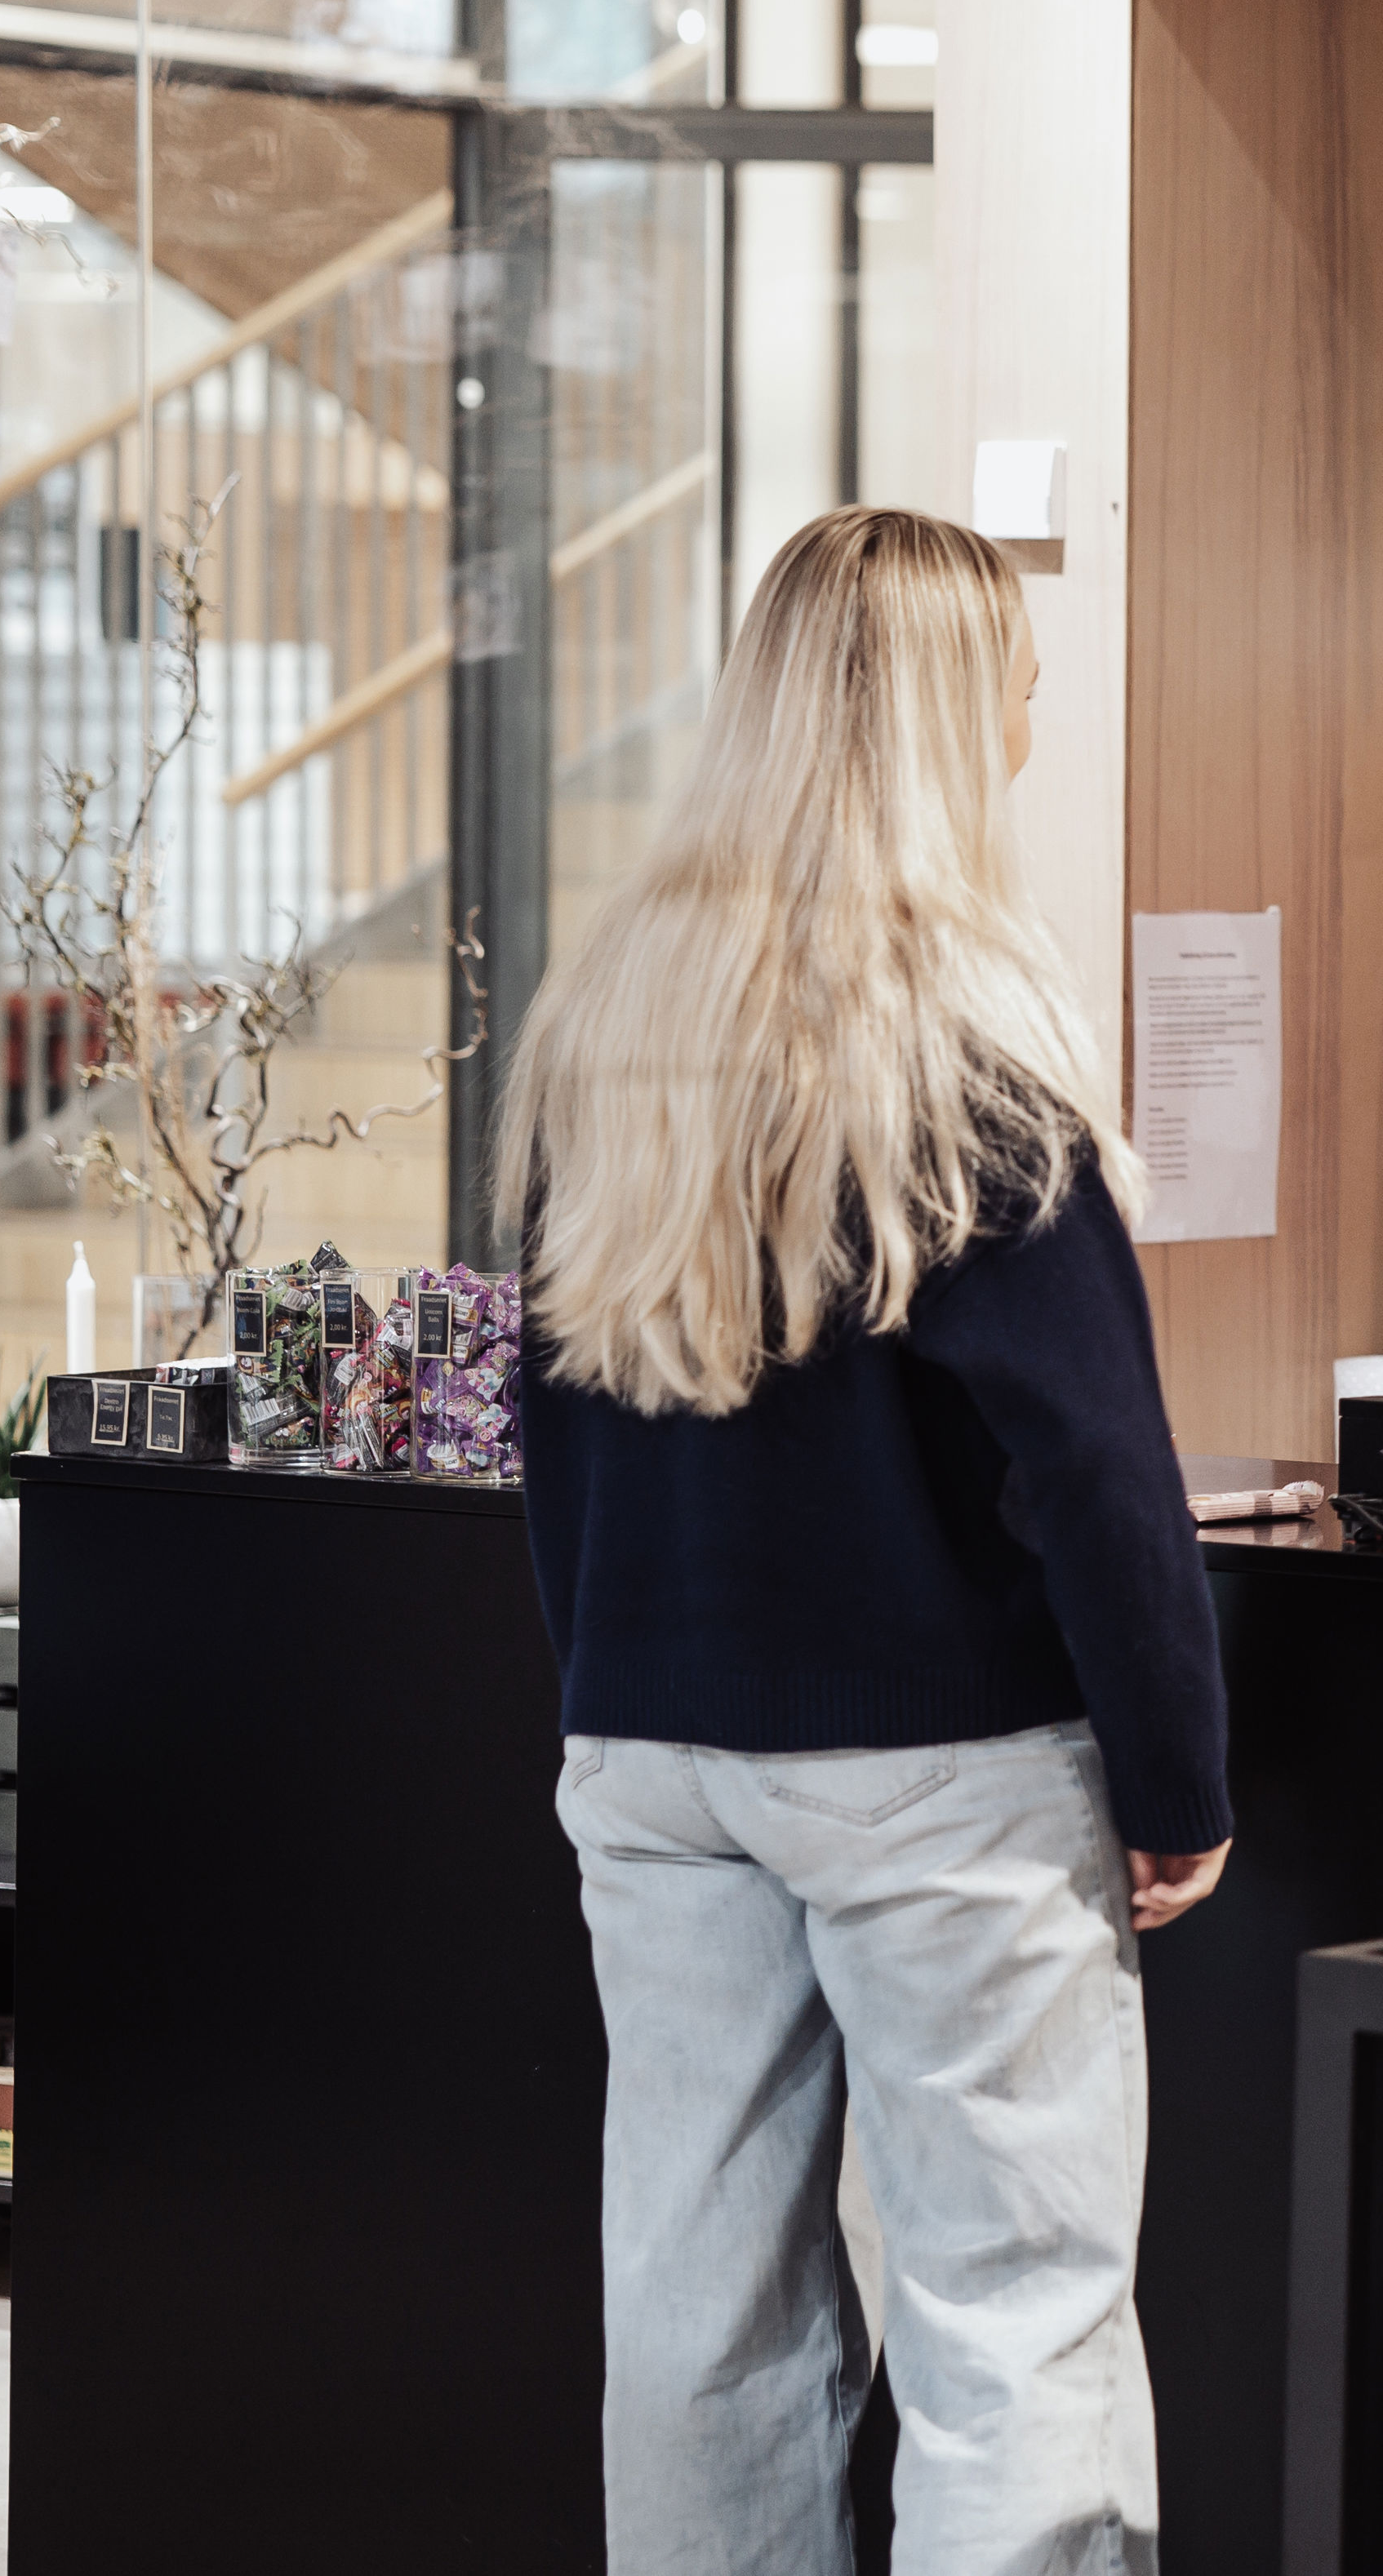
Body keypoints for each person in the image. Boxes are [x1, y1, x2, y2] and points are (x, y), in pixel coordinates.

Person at [501, 505, 1228, 2575]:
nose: (1026, 730)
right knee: (1010, 2307)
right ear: (946, 723)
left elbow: (552, 1415)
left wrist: (607, 1694)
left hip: (653, 1757)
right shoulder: (971, 1058)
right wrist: (1174, 1780)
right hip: (937, 1771)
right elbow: (1095, 1467)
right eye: (1014, 694)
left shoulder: (604, 1029)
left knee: (695, 2293)